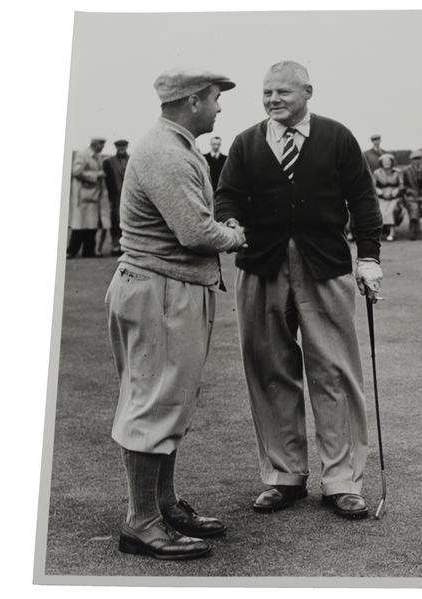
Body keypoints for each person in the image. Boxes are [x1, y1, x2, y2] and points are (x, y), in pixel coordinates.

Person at [215, 61, 383, 519]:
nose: (272, 100)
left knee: (334, 371)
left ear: (307, 91)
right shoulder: (247, 141)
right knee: (269, 369)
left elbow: (363, 200)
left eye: (282, 92)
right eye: (267, 93)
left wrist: (368, 257)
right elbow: (227, 193)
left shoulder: (337, 137)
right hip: (261, 267)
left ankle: (342, 481)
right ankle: (283, 476)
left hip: (324, 267)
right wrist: (230, 218)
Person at [105, 67, 246, 561]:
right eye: (214, 98)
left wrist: (216, 226)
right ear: (191, 102)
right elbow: (194, 232)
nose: (219, 107)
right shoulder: (166, 151)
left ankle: (161, 505)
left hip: (167, 287)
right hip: (161, 291)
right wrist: (234, 234)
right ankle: (142, 523)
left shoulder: (176, 145)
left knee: (167, 401)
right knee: (154, 403)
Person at [67, 137, 109, 258]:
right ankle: (72, 251)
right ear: (96, 144)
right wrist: (96, 175)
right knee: (80, 226)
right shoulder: (82, 155)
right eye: (102, 144)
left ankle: (88, 251)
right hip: (83, 196)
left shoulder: (97, 156)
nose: (103, 147)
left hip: (94, 197)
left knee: (91, 225)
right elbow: (76, 172)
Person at [103, 140, 130, 255]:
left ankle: (127, 246)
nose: (121, 148)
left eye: (123, 146)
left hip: (130, 195)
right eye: (119, 146)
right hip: (116, 196)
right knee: (115, 222)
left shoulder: (132, 159)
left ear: (126, 146)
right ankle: (115, 245)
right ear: (115, 147)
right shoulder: (109, 161)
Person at [372, 153, 405, 241]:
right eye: (384, 162)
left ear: (392, 162)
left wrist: (395, 192)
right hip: (382, 195)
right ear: (381, 163)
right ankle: (378, 232)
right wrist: (381, 193)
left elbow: (401, 185)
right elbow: (373, 185)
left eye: (388, 161)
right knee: (380, 210)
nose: (386, 163)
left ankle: (392, 232)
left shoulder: (398, 172)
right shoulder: (377, 172)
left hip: (394, 195)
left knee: (391, 209)